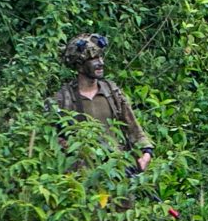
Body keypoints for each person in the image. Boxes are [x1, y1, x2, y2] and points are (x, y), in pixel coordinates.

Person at [49, 32, 153, 172]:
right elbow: (53, 142)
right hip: (81, 178)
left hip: (116, 171)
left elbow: (134, 129)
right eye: (94, 59)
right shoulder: (63, 99)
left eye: (100, 57)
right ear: (80, 65)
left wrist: (146, 153)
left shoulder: (112, 93)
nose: (101, 63)